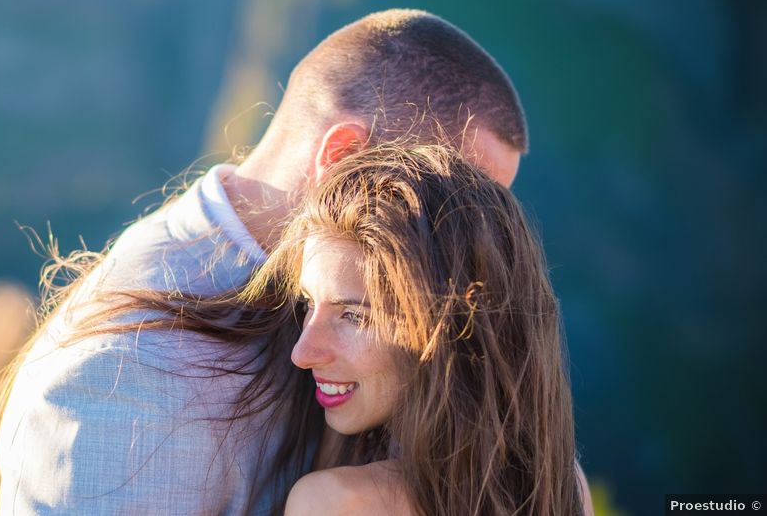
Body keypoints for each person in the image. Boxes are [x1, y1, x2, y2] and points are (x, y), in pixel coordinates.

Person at [0, 9, 542, 514]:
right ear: (343, 157)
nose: (472, 262)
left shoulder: (411, 322)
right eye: (447, 213)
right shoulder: (120, 383)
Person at [230, 145, 588, 515]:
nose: (302, 353)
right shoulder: (560, 483)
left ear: (451, 329)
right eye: (307, 303)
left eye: (355, 316)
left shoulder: (337, 503)